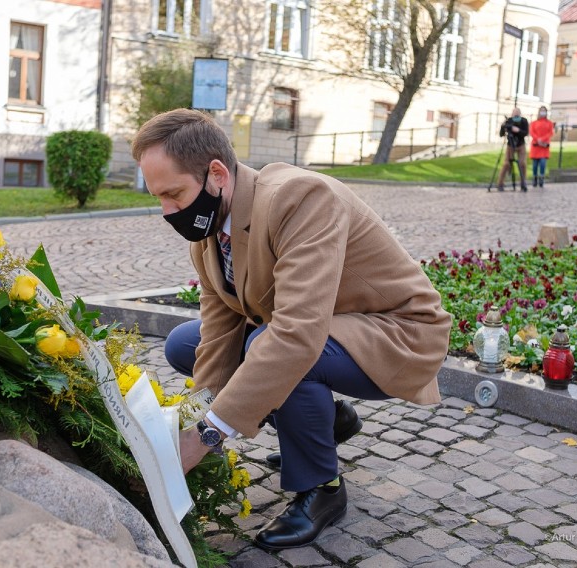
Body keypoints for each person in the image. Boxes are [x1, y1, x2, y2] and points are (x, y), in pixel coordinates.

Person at [132, 109, 451, 551]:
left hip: (397, 334)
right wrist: (197, 416)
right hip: (327, 331)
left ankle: (324, 489)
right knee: (185, 343)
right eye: (158, 198)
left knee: (279, 348)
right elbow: (220, 332)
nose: (168, 212)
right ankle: (329, 421)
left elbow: (297, 335)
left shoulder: (300, 198)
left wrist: (207, 436)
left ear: (217, 174)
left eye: (174, 194)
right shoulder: (205, 233)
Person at [497, 107, 530, 192]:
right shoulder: (509, 121)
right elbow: (501, 134)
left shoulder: (524, 121)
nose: (516, 115)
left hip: (520, 144)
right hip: (510, 145)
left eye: (517, 113)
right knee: (506, 164)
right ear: (512, 114)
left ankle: (523, 183)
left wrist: (518, 130)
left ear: (520, 113)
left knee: (522, 163)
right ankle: (500, 184)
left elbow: (526, 133)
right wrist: (503, 126)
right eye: (514, 113)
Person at [529, 106, 554, 188]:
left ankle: (541, 178)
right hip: (536, 145)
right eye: (541, 111)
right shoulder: (534, 123)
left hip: (544, 146)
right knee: (535, 165)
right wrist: (538, 139)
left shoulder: (549, 123)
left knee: (543, 163)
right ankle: (535, 178)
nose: (543, 112)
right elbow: (532, 132)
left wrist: (542, 139)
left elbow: (550, 133)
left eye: (544, 111)